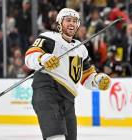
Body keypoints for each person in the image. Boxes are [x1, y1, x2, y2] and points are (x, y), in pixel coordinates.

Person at [25, 8, 111, 140]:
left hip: (68, 99)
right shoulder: (49, 38)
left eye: (75, 21)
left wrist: (97, 80)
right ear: (59, 23)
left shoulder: (81, 48)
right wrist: (43, 59)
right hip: (47, 92)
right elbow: (30, 56)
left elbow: (86, 76)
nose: (72, 23)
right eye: (68, 20)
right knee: (56, 136)